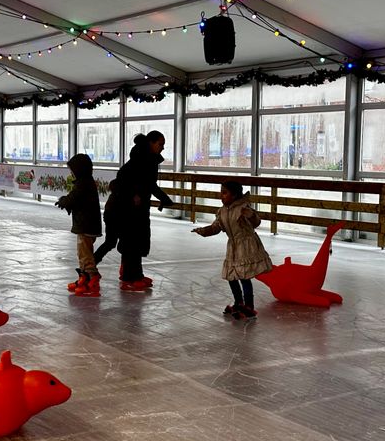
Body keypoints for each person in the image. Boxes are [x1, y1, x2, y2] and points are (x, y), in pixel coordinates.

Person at [191, 181, 273, 319]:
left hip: (246, 245)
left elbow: (256, 223)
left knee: (244, 276)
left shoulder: (243, 208)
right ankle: (238, 302)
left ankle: (249, 306)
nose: (221, 196)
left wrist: (251, 216)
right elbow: (216, 227)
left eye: (224, 193)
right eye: (221, 192)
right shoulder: (222, 211)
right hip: (233, 246)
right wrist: (204, 231)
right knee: (231, 276)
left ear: (234, 195)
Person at [114, 131, 175, 291]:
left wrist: (163, 198)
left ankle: (135, 274)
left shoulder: (148, 159)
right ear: (151, 142)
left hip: (140, 206)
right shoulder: (141, 159)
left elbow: (149, 184)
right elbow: (127, 179)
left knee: (138, 239)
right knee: (132, 239)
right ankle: (130, 276)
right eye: (160, 144)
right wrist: (134, 194)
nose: (162, 147)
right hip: (130, 206)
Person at [57, 154, 102, 297]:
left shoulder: (83, 183)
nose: (71, 173)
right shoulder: (85, 181)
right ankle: (84, 278)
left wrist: (63, 201)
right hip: (87, 224)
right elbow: (77, 200)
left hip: (86, 225)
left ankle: (92, 279)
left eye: (72, 170)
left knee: (85, 255)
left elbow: (73, 198)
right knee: (83, 253)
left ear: (79, 169)